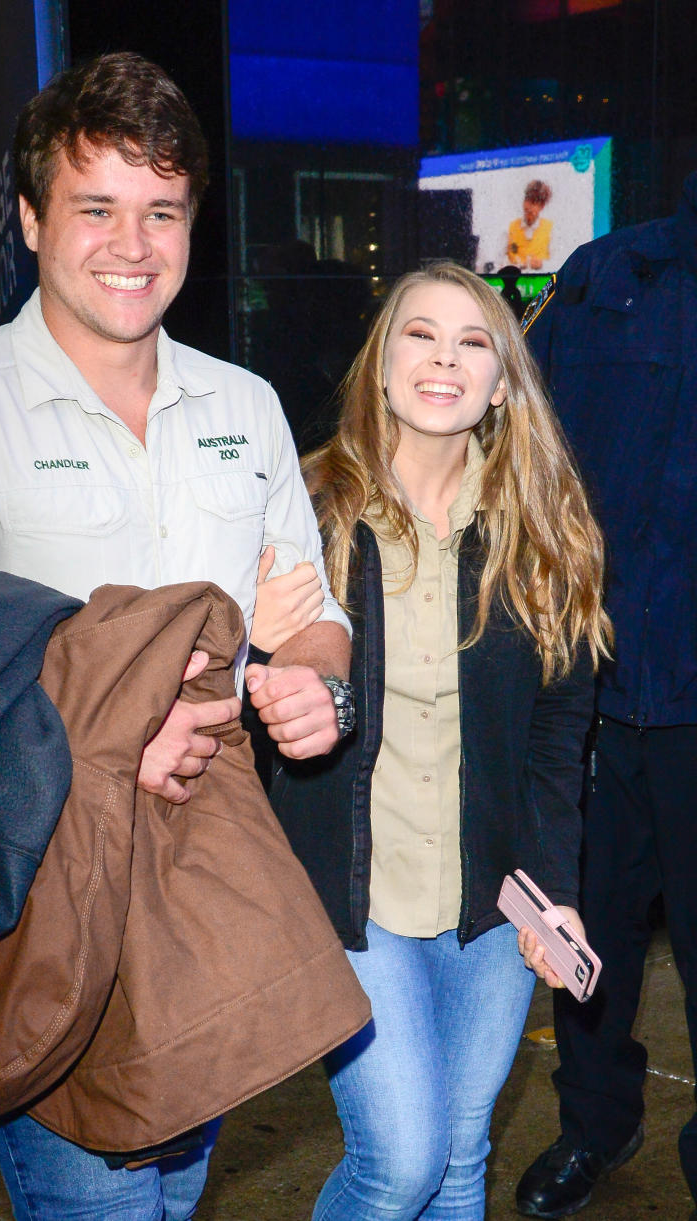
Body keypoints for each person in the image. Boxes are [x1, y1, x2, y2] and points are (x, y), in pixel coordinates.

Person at [0, 51, 353, 1221]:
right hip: (47, 888)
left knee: (174, 1194)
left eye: (162, 211)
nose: (133, 244)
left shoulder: (243, 407)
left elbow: (306, 614)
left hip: (210, 872)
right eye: (95, 206)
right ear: (28, 217)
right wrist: (103, 738)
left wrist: (317, 680)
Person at [258, 260, 610, 1219]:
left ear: (504, 380)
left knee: (460, 1162)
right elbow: (246, 700)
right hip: (351, 893)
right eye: (421, 333)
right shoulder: (305, 508)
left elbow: (556, 736)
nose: (445, 359)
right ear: (380, 362)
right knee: (402, 1161)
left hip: (489, 903)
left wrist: (557, 893)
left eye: (474, 341)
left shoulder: (542, 529)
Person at [514, 171, 697, 1220]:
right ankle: (594, 1124)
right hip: (592, 681)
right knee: (587, 939)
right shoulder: (606, 276)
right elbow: (523, 446)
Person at [507, 179, 553, 270]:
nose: (528, 207)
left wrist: (541, 265)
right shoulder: (510, 228)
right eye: (527, 200)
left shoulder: (550, 229)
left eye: (534, 203)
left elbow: (559, 264)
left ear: (542, 206)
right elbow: (498, 262)